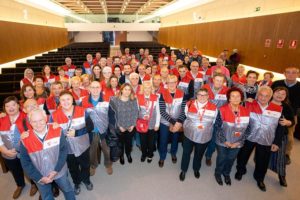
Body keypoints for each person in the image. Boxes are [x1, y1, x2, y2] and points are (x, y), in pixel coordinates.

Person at [20, 108, 75, 200]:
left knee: (67, 189)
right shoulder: (25, 139)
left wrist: (56, 170)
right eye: (34, 121)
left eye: (41, 120)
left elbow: (64, 150)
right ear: (30, 122)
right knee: (46, 196)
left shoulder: (57, 130)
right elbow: (25, 162)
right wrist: (39, 177)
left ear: (46, 118)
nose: (38, 124)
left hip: (59, 171)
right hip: (40, 175)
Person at [235, 86, 283, 191]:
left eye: (266, 96)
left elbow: (280, 128)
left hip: (267, 139)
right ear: (258, 95)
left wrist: (276, 142)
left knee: (263, 160)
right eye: (261, 95)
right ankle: (240, 170)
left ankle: (259, 178)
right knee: (243, 155)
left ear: (270, 97)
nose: (263, 98)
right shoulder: (248, 104)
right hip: (249, 136)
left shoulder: (278, 109)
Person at [50, 91, 93, 195]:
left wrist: (77, 132)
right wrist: (54, 130)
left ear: (72, 100)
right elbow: (51, 135)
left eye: (68, 99)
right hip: (67, 149)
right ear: (59, 102)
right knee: (72, 168)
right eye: (63, 100)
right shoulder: (54, 116)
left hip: (83, 145)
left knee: (85, 165)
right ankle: (77, 182)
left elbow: (90, 126)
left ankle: (86, 180)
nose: (66, 102)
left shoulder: (82, 111)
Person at [0, 96, 37, 199]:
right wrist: (4, 150)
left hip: (25, 152)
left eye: (13, 105)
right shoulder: (2, 119)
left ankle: (34, 184)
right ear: (4, 108)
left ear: (18, 106)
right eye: (7, 106)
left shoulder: (27, 117)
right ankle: (20, 185)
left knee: (29, 169)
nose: (10, 108)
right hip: (7, 152)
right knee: (15, 170)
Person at [179, 88, 217, 181]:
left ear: (208, 96)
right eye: (200, 94)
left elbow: (213, 122)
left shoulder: (214, 108)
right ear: (196, 95)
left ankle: (196, 169)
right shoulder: (189, 104)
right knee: (186, 153)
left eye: (204, 95)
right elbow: (185, 116)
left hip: (203, 137)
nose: (202, 97)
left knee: (199, 154)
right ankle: (183, 170)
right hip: (189, 134)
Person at [214, 87, 250, 186]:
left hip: (237, 142)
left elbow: (248, 129)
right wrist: (225, 141)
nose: (235, 98)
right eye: (232, 96)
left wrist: (239, 142)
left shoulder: (246, 111)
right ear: (229, 98)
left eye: (238, 96)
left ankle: (226, 174)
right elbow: (217, 127)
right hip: (223, 141)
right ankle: (218, 173)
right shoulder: (222, 110)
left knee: (231, 159)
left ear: (241, 98)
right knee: (222, 157)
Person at [81, 81, 113, 176]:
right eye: (93, 87)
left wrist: (111, 129)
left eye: (97, 87)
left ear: (101, 89)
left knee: (107, 150)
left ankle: (108, 164)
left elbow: (112, 115)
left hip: (104, 130)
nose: (95, 89)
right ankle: (93, 165)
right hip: (91, 131)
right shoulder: (83, 101)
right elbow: (80, 116)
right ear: (89, 89)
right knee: (92, 151)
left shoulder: (107, 100)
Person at [271, 67, 300, 164]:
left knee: (289, 138)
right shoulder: (277, 83)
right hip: (273, 111)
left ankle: (286, 154)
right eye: (288, 72)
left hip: (290, 114)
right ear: (284, 73)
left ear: (298, 74)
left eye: (294, 72)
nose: (291, 74)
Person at [158, 75, 187, 167]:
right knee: (163, 140)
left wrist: (178, 122)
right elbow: (162, 111)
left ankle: (173, 153)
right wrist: (173, 122)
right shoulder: (162, 94)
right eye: (169, 82)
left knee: (175, 139)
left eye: (173, 82)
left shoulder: (182, 93)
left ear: (177, 83)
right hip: (165, 122)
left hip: (178, 121)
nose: (171, 84)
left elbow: (184, 110)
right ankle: (162, 156)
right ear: (166, 83)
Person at [268, 87, 294, 187]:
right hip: (265, 133)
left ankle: (281, 176)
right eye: (278, 92)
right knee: (263, 153)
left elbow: (292, 121)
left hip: (280, 135)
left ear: (285, 97)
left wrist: (288, 122)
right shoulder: (266, 101)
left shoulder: (286, 107)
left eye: (283, 94)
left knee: (280, 157)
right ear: (273, 93)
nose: (279, 95)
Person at [108, 83, 139, 165]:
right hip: (119, 127)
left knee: (129, 143)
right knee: (120, 143)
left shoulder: (133, 100)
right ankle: (121, 155)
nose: (127, 91)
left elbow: (136, 112)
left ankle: (128, 154)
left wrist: (133, 125)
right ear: (121, 90)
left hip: (130, 127)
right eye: (125, 89)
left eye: (129, 90)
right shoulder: (114, 100)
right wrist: (119, 126)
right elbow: (112, 115)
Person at [203, 73, 229, 166]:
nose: (218, 82)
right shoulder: (205, 87)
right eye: (217, 80)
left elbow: (228, 105)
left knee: (214, 139)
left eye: (221, 81)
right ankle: (200, 151)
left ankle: (208, 155)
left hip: (218, 119)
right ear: (213, 80)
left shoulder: (227, 91)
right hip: (205, 117)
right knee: (203, 135)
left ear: (223, 82)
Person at [136, 81, 160, 163]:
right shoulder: (138, 97)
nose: (147, 89)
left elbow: (158, 112)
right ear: (143, 88)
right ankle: (143, 153)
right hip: (142, 123)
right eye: (145, 88)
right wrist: (139, 119)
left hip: (152, 123)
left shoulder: (155, 97)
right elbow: (136, 111)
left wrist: (157, 124)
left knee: (151, 140)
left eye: (149, 88)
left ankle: (150, 154)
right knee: (143, 140)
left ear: (151, 89)